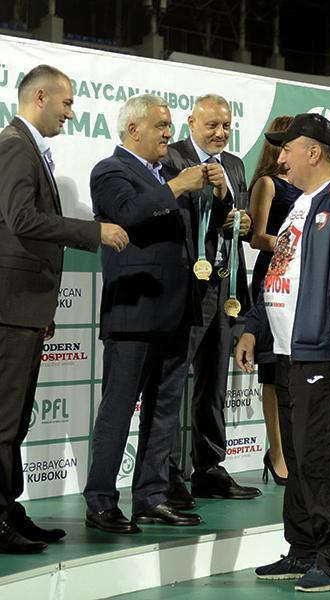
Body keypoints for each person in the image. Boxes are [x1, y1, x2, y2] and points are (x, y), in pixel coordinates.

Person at [0, 64, 129, 554]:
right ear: (40, 97)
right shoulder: (14, 146)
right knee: (4, 419)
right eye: (67, 102)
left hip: (23, 303)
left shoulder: (23, 145)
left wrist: (41, 307)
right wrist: (93, 232)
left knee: (14, 418)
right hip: (10, 301)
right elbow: (22, 220)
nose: (70, 113)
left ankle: (5, 509)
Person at [235, 113, 330, 592]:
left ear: (313, 152)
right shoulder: (299, 204)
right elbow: (276, 274)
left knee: (315, 454)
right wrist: (254, 327)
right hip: (286, 350)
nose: (281, 157)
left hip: (322, 350)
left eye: (288, 148)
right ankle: (302, 549)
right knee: (297, 452)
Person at [83, 94, 222, 532]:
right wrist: (177, 187)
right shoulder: (110, 170)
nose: (168, 134)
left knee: (164, 411)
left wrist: (217, 197)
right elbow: (127, 215)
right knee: (118, 409)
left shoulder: (164, 175)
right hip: (134, 310)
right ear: (133, 130)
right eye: (161, 126)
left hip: (177, 310)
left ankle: (151, 496)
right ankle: (100, 501)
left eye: (168, 125)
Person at [161, 94, 260, 508]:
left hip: (225, 285)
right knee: (170, 385)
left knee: (213, 384)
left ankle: (209, 469)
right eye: (212, 125)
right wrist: (218, 201)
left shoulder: (234, 164)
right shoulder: (171, 158)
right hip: (185, 286)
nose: (220, 133)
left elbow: (237, 221)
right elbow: (174, 214)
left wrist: (244, 222)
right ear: (191, 122)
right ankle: (166, 475)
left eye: (226, 125)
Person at [248, 115, 298, 486]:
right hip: (272, 276)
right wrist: (288, 244)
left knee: (294, 368)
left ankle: (291, 451)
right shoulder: (267, 183)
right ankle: (277, 451)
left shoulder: (309, 186)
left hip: (301, 279)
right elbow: (256, 236)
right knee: (272, 370)